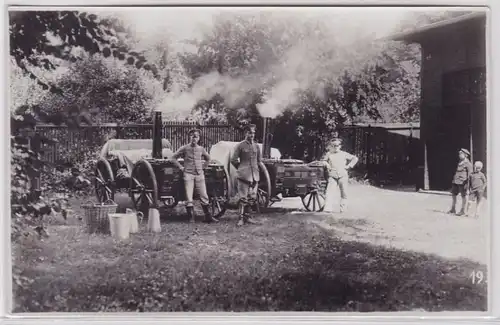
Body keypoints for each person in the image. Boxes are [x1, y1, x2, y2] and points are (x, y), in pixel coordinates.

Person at [171, 129, 218, 223]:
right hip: (188, 174)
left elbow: (208, 158)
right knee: (189, 196)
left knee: (204, 195)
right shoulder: (184, 148)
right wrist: (181, 167)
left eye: (196, 136)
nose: (194, 138)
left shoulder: (201, 149)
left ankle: (208, 217)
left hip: (199, 175)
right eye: (192, 136)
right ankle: (191, 217)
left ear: (199, 138)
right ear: (189, 137)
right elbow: (173, 158)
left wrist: (204, 167)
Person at [231, 124, 261, 226]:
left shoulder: (256, 146)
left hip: (254, 175)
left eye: (253, 133)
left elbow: (259, 161)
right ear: (245, 133)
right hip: (244, 175)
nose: (252, 135)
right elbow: (233, 160)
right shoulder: (240, 145)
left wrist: (257, 170)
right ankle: (241, 219)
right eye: (250, 133)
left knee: (252, 197)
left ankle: (248, 218)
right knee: (243, 198)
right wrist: (241, 169)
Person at [322, 138, 359, 213]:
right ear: (331, 146)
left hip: (343, 175)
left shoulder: (344, 154)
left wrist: (349, 166)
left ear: (340, 146)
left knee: (344, 193)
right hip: (332, 175)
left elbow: (355, 158)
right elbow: (323, 161)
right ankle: (328, 209)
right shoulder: (329, 154)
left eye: (337, 145)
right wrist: (327, 165)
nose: (336, 147)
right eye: (334, 145)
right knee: (330, 192)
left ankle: (343, 209)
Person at [448, 148, 473, 216]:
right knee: (453, 194)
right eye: (459, 154)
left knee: (463, 196)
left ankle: (463, 210)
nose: (459, 155)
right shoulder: (459, 162)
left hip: (463, 182)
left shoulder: (468, 164)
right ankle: (453, 209)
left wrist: (468, 184)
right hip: (456, 181)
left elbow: (470, 174)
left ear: (465, 155)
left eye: (461, 154)